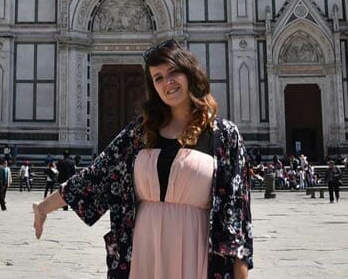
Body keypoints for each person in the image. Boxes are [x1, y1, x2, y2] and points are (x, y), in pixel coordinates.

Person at [33, 40, 253, 278]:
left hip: (197, 249)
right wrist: (44, 207)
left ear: (190, 73)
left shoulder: (224, 135)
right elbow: (96, 176)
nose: (167, 83)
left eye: (173, 72)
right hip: (143, 250)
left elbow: (237, 211)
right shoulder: (140, 133)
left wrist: (240, 271)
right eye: (158, 78)